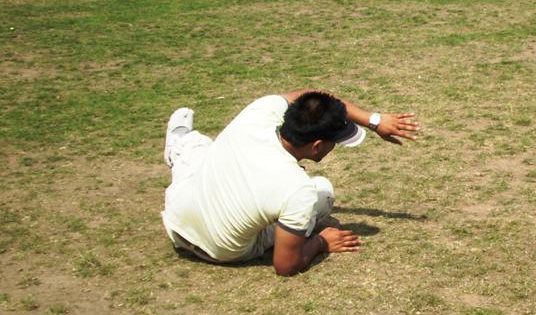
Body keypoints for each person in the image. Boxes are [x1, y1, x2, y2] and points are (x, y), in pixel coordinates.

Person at [161, 91, 419, 276]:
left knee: (200, 151)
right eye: (335, 142)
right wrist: (322, 242)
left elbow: (311, 95)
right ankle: (181, 147)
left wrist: (374, 120)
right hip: (222, 250)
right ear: (317, 146)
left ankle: (180, 143)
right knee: (323, 192)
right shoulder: (298, 189)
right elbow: (285, 265)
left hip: (176, 217)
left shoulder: (260, 112)